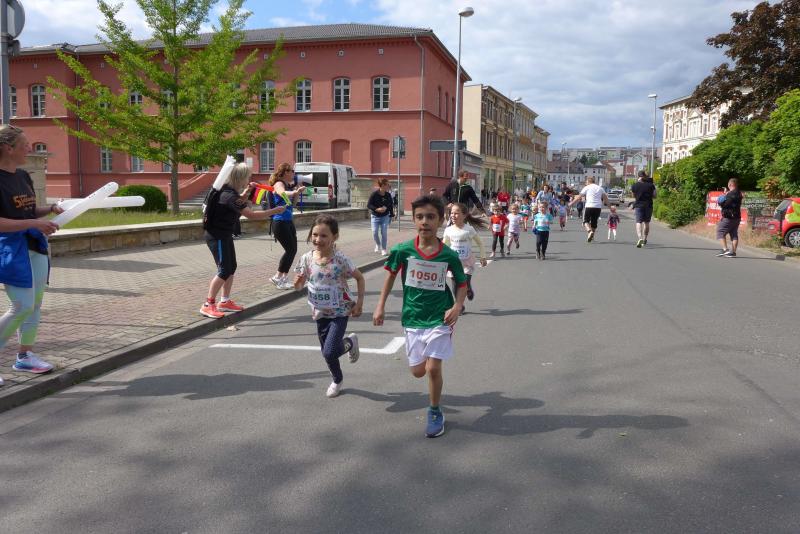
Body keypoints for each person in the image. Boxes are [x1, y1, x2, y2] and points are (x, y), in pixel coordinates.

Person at [373, 195, 467, 438]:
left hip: (440, 317)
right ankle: (427, 373)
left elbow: (461, 283)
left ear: (440, 220)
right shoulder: (402, 250)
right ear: (414, 220)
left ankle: (435, 411)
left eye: (431, 217)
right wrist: (380, 306)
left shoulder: (448, 255)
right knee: (418, 371)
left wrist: (457, 306)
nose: (425, 221)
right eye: (420, 217)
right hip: (413, 317)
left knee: (433, 368)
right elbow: (390, 277)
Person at [0, 124, 64, 381]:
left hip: (35, 247)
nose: (29, 148)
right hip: (11, 250)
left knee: (34, 304)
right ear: (8, 148)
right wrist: (33, 224)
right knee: (21, 306)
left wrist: (50, 209)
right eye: (25, 144)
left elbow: (27, 209)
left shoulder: (23, 175)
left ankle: (24, 356)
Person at [200, 163, 287, 318]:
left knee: (231, 267)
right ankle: (208, 304)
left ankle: (224, 301)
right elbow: (251, 215)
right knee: (224, 270)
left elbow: (238, 203)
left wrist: (246, 193)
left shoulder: (229, 192)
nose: (249, 179)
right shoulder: (228, 195)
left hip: (224, 234)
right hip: (217, 235)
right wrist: (274, 211)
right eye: (247, 176)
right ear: (240, 178)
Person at [294, 215, 365, 397]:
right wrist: (298, 282)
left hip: (340, 312)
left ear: (335, 237)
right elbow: (299, 285)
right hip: (319, 312)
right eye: (315, 235)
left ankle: (349, 343)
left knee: (330, 351)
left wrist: (359, 303)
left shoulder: (340, 260)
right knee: (327, 353)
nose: (318, 239)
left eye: (324, 236)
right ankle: (337, 378)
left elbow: (360, 278)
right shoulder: (306, 258)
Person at [268, 163, 307, 290]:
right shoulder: (279, 184)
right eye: (292, 171)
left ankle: (283, 278)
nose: (294, 173)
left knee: (293, 250)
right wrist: (294, 191)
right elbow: (281, 193)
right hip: (280, 222)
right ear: (285, 172)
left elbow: (292, 204)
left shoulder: (288, 185)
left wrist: (297, 193)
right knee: (290, 250)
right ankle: (277, 277)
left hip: (288, 221)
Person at [443, 202, 487, 313]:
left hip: (467, 261)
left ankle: (468, 288)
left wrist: (483, 257)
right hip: (454, 262)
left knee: (464, 282)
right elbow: (444, 245)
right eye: (451, 213)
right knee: (455, 285)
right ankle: (459, 305)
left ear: (464, 215)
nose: (453, 215)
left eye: (456, 213)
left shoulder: (469, 229)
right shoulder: (448, 230)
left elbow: (480, 243)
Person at [570, 176, 607, 242]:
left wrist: (571, 203)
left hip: (589, 206)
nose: (586, 183)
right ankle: (592, 237)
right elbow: (605, 198)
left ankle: (589, 231)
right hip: (598, 207)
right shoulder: (600, 188)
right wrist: (610, 207)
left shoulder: (587, 187)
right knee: (594, 223)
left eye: (586, 182)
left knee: (585, 221)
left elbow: (579, 197)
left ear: (589, 182)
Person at [716, 178, 743, 258]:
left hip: (729, 217)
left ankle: (725, 249)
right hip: (737, 217)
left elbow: (725, 204)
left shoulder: (731, 194)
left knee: (720, 231)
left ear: (730, 184)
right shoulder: (739, 193)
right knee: (734, 234)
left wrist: (723, 198)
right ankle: (733, 252)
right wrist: (726, 193)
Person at [367, 177, 394, 256]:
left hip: (385, 217)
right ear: (382, 185)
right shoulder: (374, 194)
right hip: (375, 217)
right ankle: (378, 244)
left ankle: (384, 249)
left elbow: (390, 205)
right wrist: (377, 209)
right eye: (387, 184)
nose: (388, 186)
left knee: (384, 233)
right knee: (374, 232)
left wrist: (392, 215)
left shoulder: (388, 195)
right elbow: (369, 205)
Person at [631, 170, 657, 248]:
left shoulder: (634, 185)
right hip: (648, 205)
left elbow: (633, 196)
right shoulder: (651, 185)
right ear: (645, 176)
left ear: (638, 176)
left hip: (639, 206)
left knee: (638, 222)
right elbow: (655, 196)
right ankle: (645, 238)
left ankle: (640, 238)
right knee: (646, 222)